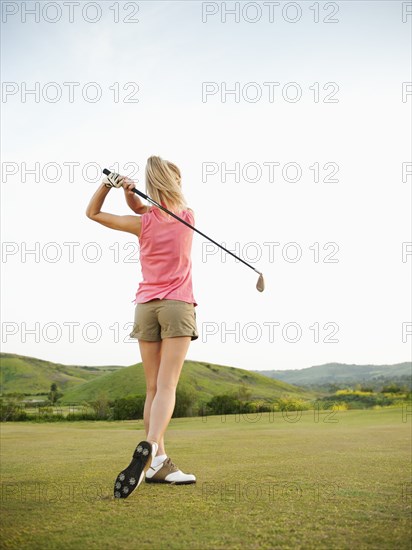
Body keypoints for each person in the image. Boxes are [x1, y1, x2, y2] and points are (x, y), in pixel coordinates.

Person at [85, 156, 198, 499]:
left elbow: (93, 214)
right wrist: (133, 195)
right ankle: (150, 447)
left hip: (145, 307)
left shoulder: (143, 223)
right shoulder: (187, 216)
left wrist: (113, 186)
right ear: (174, 183)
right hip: (177, 305)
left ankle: (158, 462)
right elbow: (151, 205)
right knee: (167, 386)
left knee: (152, 388)